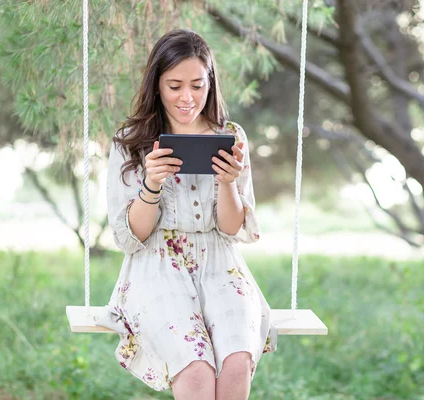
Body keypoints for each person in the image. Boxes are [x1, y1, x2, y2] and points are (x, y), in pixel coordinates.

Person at [95, 29, 277, 400]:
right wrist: (151, 184)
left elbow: (230, 228)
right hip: (156, 263)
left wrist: (228, 182)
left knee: (236, 361)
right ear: (157, 85)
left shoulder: (230, 135)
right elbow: (132, 237)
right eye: (174, 85)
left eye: (197, 85)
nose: (187, 97)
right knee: (195, 369)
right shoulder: (130, 141)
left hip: (219, 262)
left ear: (210, 82)